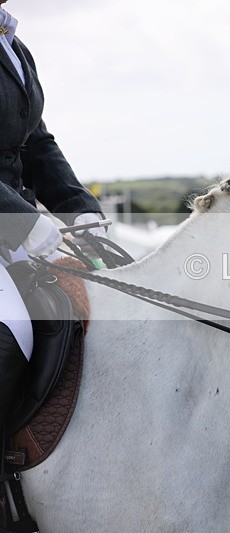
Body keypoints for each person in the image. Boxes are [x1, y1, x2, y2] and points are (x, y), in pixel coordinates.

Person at [0, 1, 105, 431]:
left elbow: (37, 143)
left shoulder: (13, 44)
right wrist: (22, 220)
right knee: (13, 332)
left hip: (11, 230)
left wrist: (80, 211)